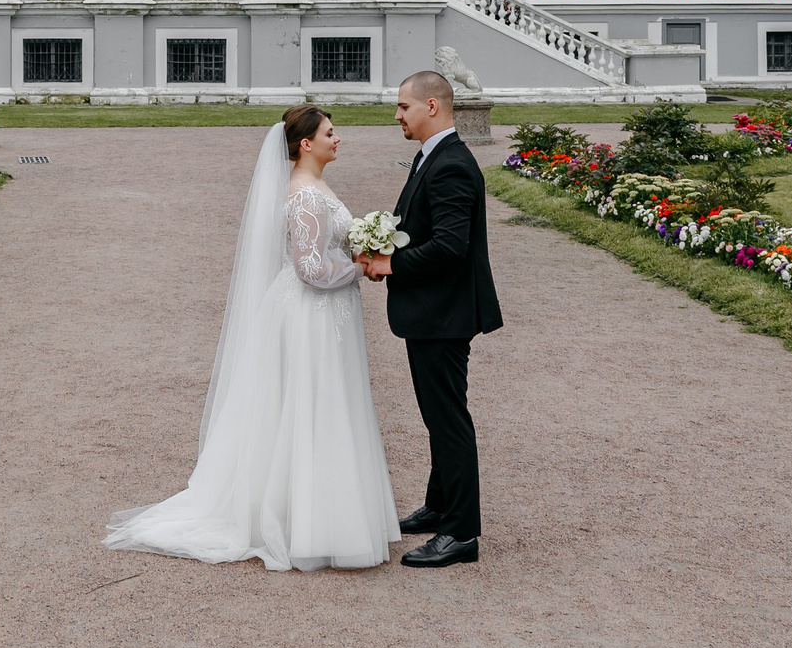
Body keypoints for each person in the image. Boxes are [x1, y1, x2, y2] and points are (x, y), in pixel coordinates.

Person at [105, 107, 400, 571]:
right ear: (306, 144)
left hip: (327, 311)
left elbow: (325, 251)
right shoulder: (304, 195)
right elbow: (310, 270)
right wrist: (363, 268)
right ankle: (304, 522)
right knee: (309, 406)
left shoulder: (316, 187)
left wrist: (360, 251)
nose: (337, 138)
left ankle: (322, 514)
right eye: (329, 132)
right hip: (310, 313)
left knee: (322, 404)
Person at [357, 70, 501, 566]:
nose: (397, 115)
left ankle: (461, 533)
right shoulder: (433, 157)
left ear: (432, 107)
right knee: (439, 417)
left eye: (403, 106)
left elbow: (450, 247)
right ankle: (440, 507)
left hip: (444, 313)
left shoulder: (452, 164)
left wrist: (389, 263)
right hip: (434, 311)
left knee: (448, 420)